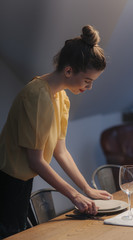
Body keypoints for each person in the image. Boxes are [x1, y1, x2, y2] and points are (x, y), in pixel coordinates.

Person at [0, 25, 112, 238]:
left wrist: (86, 189)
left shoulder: (61, 97)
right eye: (87, 81)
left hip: (22, 183)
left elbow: (61, 152)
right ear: (68, 70)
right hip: (6, 183)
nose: (89, 88)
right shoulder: (36, 95)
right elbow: (35, 161)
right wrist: (74, 196)